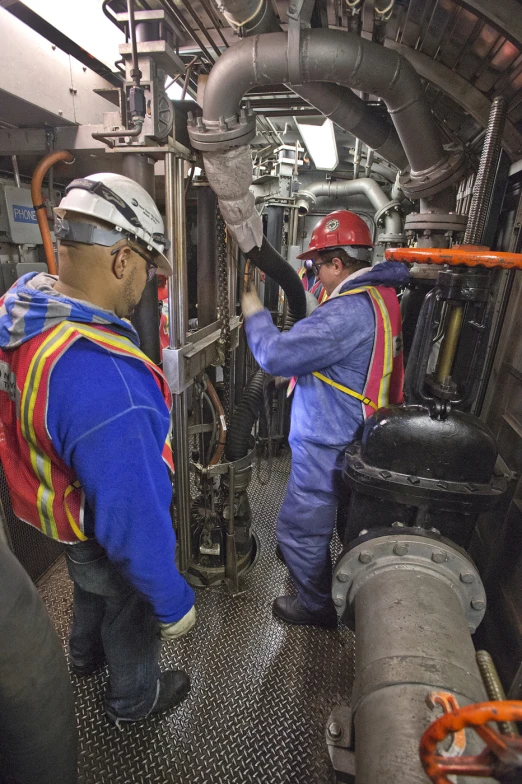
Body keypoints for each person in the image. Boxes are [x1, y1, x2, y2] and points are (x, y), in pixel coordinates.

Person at [0, 173, 196, 724]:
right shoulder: (106, 376)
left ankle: (83, 658)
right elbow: (133, 518)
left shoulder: (24, 313)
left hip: (52, 508)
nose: (150, 283)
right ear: (121, 260)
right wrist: (173, 601)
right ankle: (135, 700)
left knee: (86, 584)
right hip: (99, 522)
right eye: (149, 267)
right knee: (127, 606)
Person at [241, 210, 409, 627]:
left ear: (338, 263)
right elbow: (345, 362)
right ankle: (312, 564)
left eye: (318, 265)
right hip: (351, 428)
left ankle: (316, 606)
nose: (316, 276)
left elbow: (275, 354)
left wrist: (254, 314)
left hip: (327, 440)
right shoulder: (380, 297)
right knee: (321, 519)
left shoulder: (347, 312)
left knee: (297, 529)